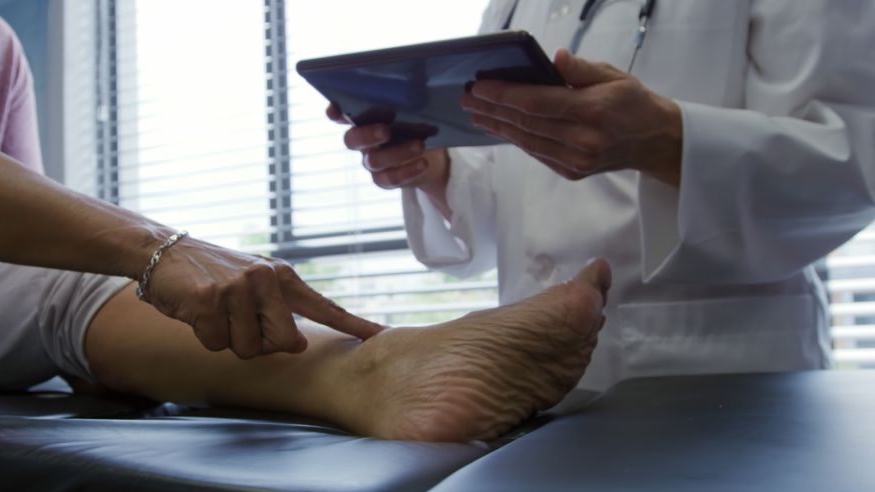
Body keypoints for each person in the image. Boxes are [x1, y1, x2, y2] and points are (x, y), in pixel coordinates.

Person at [0, 0, 612, 442]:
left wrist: (100, 342)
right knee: (75, 284)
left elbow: (4, 243)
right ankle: (370, 375)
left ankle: (387, 357)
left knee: (74, 285)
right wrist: (161, 251)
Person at [333, 0, 875, 394]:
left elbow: (852, 159)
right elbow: (526, 202)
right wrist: (439, 170)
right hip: (529, 381)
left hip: (715, 378)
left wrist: (667, 140)